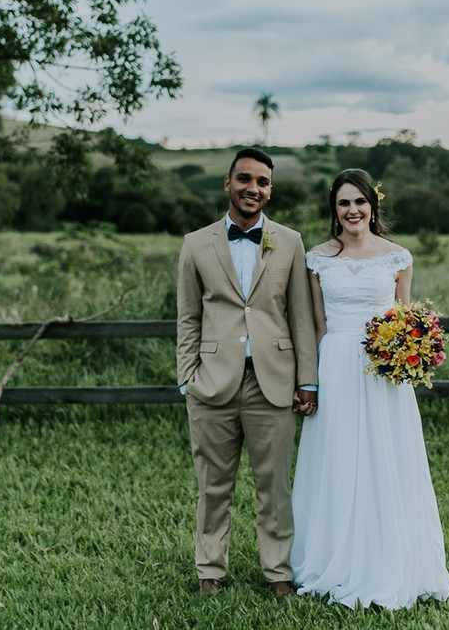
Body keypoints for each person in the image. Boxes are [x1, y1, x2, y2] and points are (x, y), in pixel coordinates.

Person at [289, 168, 449, 610]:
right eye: (343, 203)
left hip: (383, 373)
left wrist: (410, 350)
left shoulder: (398, 257)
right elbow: (318, 325)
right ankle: (332, 556)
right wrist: (314, 381)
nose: (352, 210)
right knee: (338, 458)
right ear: (334, 210)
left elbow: (403, 317)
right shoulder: (317, 258)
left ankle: (390, 559)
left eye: (359, 202)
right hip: (337, 364)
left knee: (386, 458)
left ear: (372, 206)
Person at [176, 147, 319, 598]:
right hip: (212, 382)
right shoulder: (196, 243)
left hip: (272, 383)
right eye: (244, 179)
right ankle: (210, 573)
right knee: (212, 486)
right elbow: (187, 317)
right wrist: (187, 377)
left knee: (273, 488)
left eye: (262, 182)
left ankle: (278, 573)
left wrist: (307, 381)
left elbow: (301, 317)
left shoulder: (290, 241)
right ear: (228, 183)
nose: (252, 189)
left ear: (270, 190)